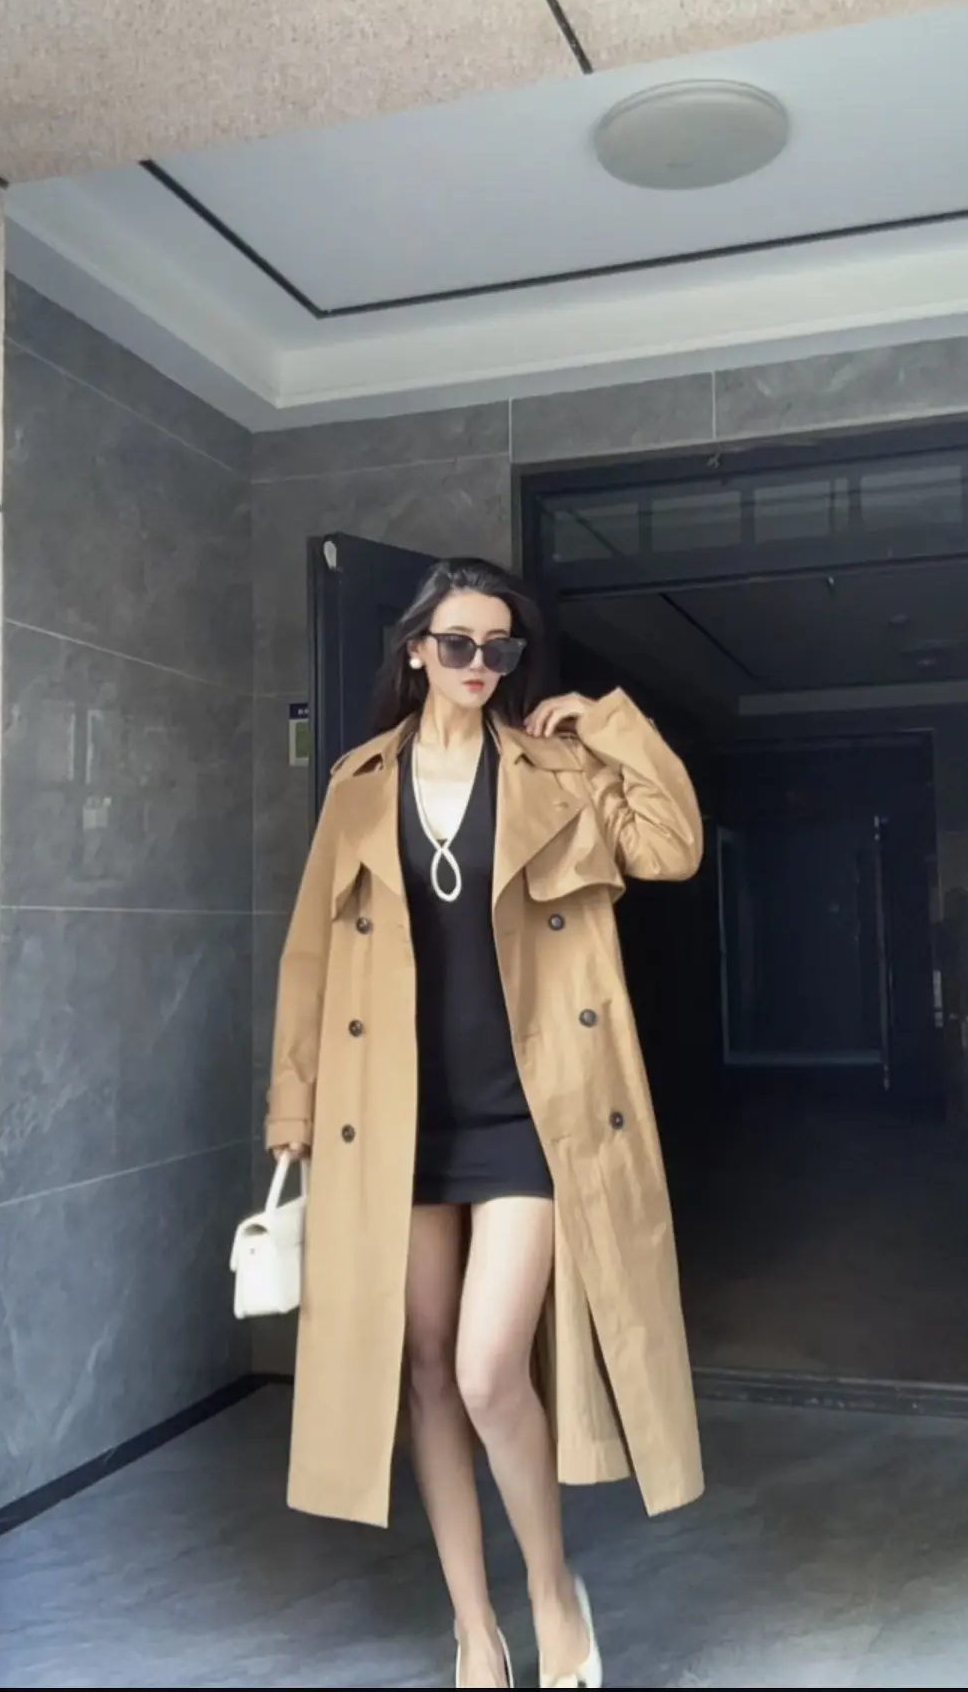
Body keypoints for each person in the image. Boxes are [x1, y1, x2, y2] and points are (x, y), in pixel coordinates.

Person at [266, 558, 704, 1690]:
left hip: (530, 1114)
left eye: (499, 648)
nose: (477, 664)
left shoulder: (559, 768)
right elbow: (310, 955)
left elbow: (672, 845)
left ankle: (554, 1595)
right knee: (424, 1367)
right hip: (396, 1119)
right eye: (456, 643)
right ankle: (474, 1625)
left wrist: (610, 723)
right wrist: (294, 1103)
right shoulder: (359, 783)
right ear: (416, 648)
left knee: (487, 1366)